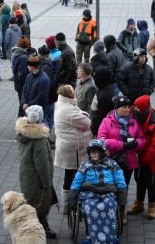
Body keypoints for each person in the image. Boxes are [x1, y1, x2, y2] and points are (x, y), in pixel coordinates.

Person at [97, 96, 147, 225]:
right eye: (124, 107)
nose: (127, 110)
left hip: (128, 162)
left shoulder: (134, 122)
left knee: (123, 187)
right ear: (117, 109)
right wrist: (122, 145)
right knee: (110, 187)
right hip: (111, 161)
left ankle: (121, 211)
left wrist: (136, 143)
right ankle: (110, 210)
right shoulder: (107, 121)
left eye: (128, 107)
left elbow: (143, 140)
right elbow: (102, 140)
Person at [68, 139, 127, 243]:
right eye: (91, 152)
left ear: (102, 152)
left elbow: (120, 181)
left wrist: (122, 197)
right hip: (89, 194)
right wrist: (72, 198)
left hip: (108, 193)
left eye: (96, 152)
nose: (93, 155)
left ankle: (110, 238)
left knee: (110, 206)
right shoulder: (84, 165)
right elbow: (76, 182)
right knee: (90, 208)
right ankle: (93, 238)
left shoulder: (112, 164)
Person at [15, 105, 56, 239]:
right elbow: (42, 164)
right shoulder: (39, 140)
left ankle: (28, 229)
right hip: (37, 178)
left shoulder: (23, 132)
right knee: (40, 204)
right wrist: (46, 182)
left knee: (29, 202)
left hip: (26, 174)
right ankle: (41, 228)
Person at [128, 95, 155, 220]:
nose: (134, 108)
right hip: (139, 156)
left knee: (151, 181)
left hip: (151, 158)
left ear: (143, 109)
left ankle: (152, 205)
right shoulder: (135, 115)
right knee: (138, 178)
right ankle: (139, 202)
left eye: (137, 107)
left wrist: (144, 159)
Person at [54, 85, 92, 214]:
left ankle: (66, 205)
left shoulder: (61, 104)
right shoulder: (68, 109)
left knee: (68, 174)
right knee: (76, 176)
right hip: (73, 148)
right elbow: (87, 123)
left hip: (65, 146)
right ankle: (73, 203)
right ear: (70, 95)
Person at [89, 65, 115, 136]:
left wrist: (96, 131)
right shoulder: (104, 87)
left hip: (100, 130)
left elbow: (103, 116)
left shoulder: (104, 96)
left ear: (100, 78)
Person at [38, 45, 57, 133]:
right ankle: (46, 137)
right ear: (47, 55)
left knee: (43, 118)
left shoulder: (37, 64)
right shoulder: (46, 66)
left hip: (40, 97)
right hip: (48, 98)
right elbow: (51, 84)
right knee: (48, 119)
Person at [12, 36, 30, 117]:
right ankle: (21, 122)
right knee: (23, 104)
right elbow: (22, 74)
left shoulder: (16, 54)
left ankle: (20, 121)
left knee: (22, 103)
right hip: (22, 85)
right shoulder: (23, 57)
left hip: (18, 83)